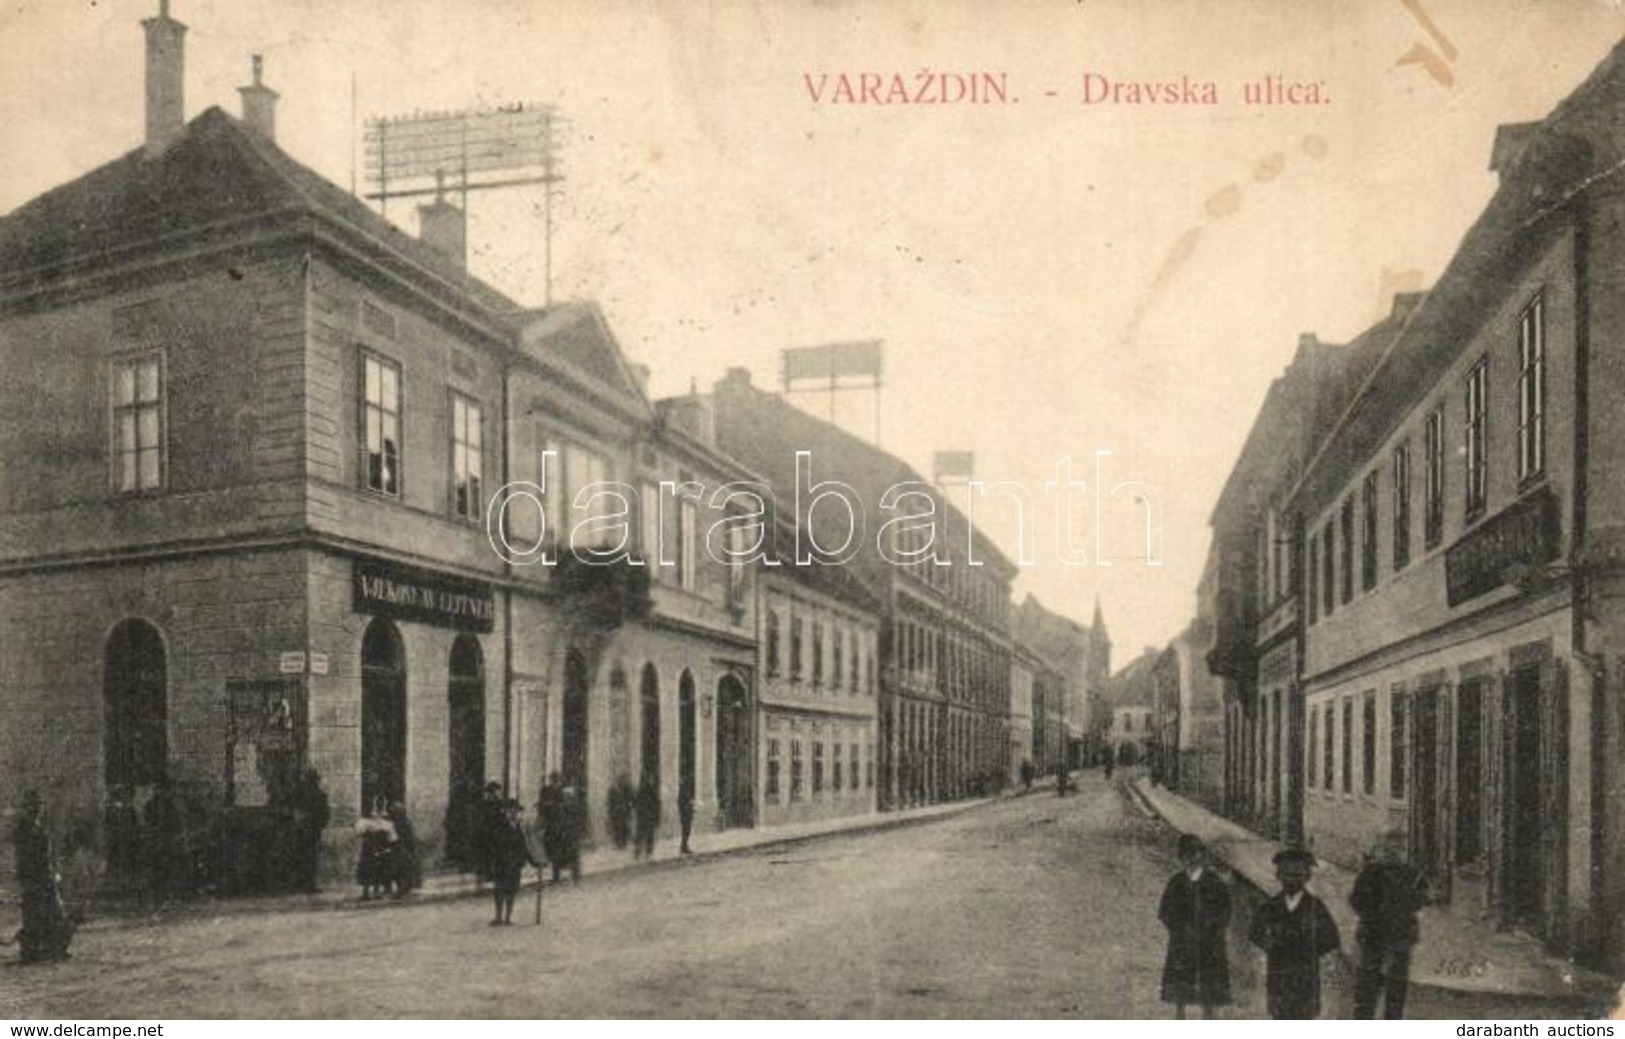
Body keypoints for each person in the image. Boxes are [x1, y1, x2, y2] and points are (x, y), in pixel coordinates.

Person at [1248, 846, 1341, 1019]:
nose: (1291, 880)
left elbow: (1331, 939)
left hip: (1306, 976)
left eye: (1297, 875)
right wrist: (1270, 946)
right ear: (1279, 876)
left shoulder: (1315, 907)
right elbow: (1255, 933)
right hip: (1278, 974)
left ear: (1307, 877)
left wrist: (1309, 950)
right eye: (1286, 874)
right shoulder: (1270, 906)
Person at [1350, 830, 1429, 1019]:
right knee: (1367, 986)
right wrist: (1371, 914)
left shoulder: (1412, 874)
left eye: (1398, 848)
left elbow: (1421, 899)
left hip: (1400, 937)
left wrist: (1408, 903)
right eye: (1389, 849)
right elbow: (1356, 900)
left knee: (1397, 987)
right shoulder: (1370, 873)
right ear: (1382, 850)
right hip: (1373, 935)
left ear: (1404, 851)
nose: (1393, 853)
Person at [1158, 834, 1233, 1019]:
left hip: (1209, 939)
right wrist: (1178, 928)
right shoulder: (1176, 882)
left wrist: (1213, 927)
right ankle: (1180, 1010)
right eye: (1187, 854)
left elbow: (1225, 909)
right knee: (1181, 974)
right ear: (1181, 857)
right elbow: (1164, 910)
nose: (1192, 858)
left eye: (1196, 853)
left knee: (1209, 974)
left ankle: (1208, 1011)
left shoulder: (1214, 882)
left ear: (1203, 856)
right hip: (1183, 938)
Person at [12, 790, 74, 964]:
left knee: (50, 913)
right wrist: (29, 878)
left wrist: (53, 872)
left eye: (38, 806)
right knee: (35, 914)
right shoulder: (24, 830)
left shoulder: (38, 827)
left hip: (44, 876)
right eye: (32, 806)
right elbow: (25, 857)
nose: (36, 809)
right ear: (26, 809)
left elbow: (47, 855)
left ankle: (50, 949)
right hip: (34, 877)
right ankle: (32, 951)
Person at [485, 799, 537, 926]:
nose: (513, 813)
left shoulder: (518, 827)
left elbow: (523, 846)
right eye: (510, 811)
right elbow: (494, 845)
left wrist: (533, 861)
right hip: (501, 864)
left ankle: (508, 917)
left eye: (515, 811)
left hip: (514, 865)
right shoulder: (499, 825)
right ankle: (498, 917)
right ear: (505, 812)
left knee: (512, 890)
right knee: (499, 891)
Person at [290, 769, 330, 893]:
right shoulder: (319, 794)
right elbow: (325, 813)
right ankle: (308, 884)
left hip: (299, 829)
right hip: (312, 830)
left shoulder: (298, 793)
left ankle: (299, 883)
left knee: (299, 857)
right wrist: (321, 825)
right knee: (310, 858)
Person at [354, 797, 397, 901]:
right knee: (368, 867)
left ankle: (376, 890)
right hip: (370, 846)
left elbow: (392, 837)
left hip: (379, 846)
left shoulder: (385, 820)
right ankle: (367, 891)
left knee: (379, 867)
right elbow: (359, 831)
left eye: (381, 804)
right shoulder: (367, 820)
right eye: (378, 804)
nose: (379, 807)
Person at [550, 785, 584, 884]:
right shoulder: (559, 807)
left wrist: (577, 831)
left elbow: (580, 821)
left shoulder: (576, 807)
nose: (567, 797)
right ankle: (556, 877)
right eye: (565, 795)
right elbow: (556, 820)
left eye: (569, 796)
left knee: (574, 856)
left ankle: (575, 877)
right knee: (557, 856)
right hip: (561, 835)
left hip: (572, 835)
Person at [386, 801, 420, 898]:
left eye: (395, 812)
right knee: (397, 870)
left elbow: (409, 837)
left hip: (402, 848)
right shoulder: (393, 823)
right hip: (395, 848)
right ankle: (401, 888)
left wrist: (410, 848)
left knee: (404, 869)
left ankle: (403, 889)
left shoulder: (405, 822)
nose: (393, 814)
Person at [633, 774, 661, 861]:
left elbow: (635, 803)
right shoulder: (649, 791)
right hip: (648, 818)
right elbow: (655, 804)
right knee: (648, 837)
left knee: (642, 837)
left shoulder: (641, 791)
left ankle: (638, 854)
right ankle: (647, 854)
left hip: (643, 818)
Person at [677, 778, 695, 855]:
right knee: (686, 831)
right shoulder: (682, 794)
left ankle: (684, 846)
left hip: (687, 814)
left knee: (687, 832)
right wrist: (689, 805)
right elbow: (682, 805)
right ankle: (683, 847)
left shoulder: (684, 793)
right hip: (685, 815)